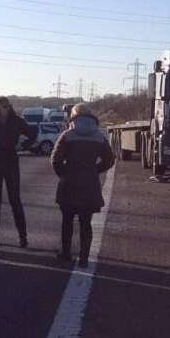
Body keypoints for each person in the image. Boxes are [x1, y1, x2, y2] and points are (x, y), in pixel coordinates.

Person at [51, 103, 115, 267]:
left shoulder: (67, 135)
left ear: (73, 117)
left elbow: (55, 159)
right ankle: (84, 258)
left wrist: (64, 174)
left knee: (67, 221)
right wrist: (94, 170)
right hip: (89, 184)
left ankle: (66, 253)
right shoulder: (99, 136)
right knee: (86, 223)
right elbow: (109, 160)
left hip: (70, 183)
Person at [0, 97, 37, 247]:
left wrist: (23, 145)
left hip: (11, 162)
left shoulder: (17, 121)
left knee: (15, 200)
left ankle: (23, 237)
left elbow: (32, 134)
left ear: (7, 108)